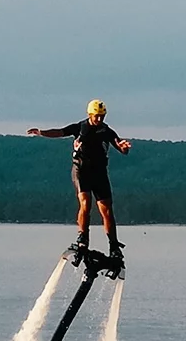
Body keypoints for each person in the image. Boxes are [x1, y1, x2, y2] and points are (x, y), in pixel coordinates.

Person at [27, 99, 132, 261]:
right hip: (81, 171)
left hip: (99, 174)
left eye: (102, 116)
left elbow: (121, 147)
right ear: (90, 114)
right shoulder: (80, 127)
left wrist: (124, 147)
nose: (99, 119)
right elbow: (60, 132)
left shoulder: (107, 131)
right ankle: (83, 238)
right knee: (85, 203)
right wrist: (42, 132)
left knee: (107, 210)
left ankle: (113, 245)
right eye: (96, 116)